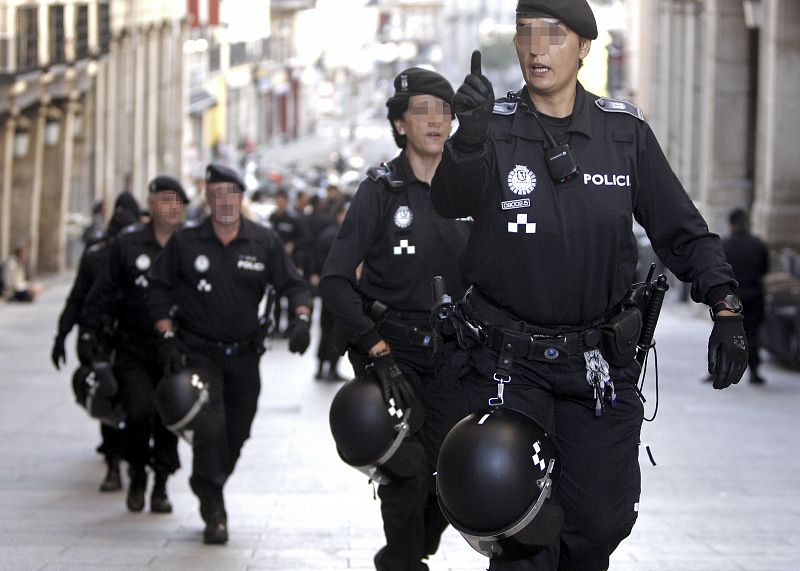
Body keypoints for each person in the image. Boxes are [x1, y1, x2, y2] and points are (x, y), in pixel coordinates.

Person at [429, 1, 748, 569]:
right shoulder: (493, 128)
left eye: (553, 35)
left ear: (583, 48)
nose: (536, 47)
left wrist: (726, 307)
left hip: (597, 365)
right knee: (520, 531)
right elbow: (450, 201)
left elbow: (682, 231)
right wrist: (467, 141)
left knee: (601, 521)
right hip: (508, 365)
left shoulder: (624, 133)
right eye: (525, 33)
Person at [320, 67, 471, 571]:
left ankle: (407, 551)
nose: (435, 121)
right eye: (422, 111)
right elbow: (336, 279)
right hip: (394, 353)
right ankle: (403, 561)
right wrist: (375, 349)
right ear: (401, 124)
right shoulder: (380, 191)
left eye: (444, 111)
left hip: (456, 355)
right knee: (408, 471)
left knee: (454, 468)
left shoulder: (470, 189)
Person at [147, 163, 313, 545]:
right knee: (210, 430)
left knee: (238, 431)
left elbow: (293, 285)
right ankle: (213, 505)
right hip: (198, 354)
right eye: (217, 194)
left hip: (244, 357)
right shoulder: (186, 241)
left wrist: (301, 319)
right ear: (207, 199)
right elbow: (157, 288)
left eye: (232, 194)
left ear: (241, 198)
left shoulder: (263, 241)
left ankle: (211, 480)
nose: (225, 202)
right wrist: (166, 334)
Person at [82, 176, 189, 514]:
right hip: (133, 347)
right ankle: (138, 472)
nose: (171, 208)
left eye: (177, 202)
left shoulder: (190, 244)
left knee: (169, 418)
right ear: (151, 204)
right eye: (165, 201)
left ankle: (161, 483)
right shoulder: (128, 243)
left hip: (175, 349)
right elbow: (102, 290)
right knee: (139, 412)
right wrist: (88, 332)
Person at [51, 192, 141, 492]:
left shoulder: (143, 255)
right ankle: (115, 461)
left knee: (127, 400)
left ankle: (125, 460)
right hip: (104, 341)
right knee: (110, 396)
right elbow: (79, 299)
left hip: (131, 341)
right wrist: (62, 335)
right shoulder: (98, 255)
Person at [722, 208, 769, 384]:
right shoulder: (758, 244)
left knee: (725, 333)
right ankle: (754, 371)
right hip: (754, 295)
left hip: (732, 297)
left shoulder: (725, 244)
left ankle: (719, 370)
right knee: (752, 334)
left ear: (731, 224)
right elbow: (765, 269)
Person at [311, 203, 348, 381]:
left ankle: (322, 367)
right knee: (335, 330)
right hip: (339, 289)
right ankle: (331, 367)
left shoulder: (327, 234)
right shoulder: (342, 236)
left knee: (326, 329)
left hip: (328, 288)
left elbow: (315, 259)